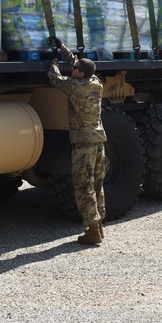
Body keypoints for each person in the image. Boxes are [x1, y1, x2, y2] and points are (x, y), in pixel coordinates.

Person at [47, 46, 107, 245]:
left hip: (84, 143)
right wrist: (63, 49)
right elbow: (76, 64)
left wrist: (54, 64)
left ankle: (92, 230)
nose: (71, 70)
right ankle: (98, 226)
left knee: (83, 185)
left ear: (80, 74)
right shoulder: (96, 83)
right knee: (97, 183)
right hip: (98, 140)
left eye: (75, 70)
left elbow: (54, 78)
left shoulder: (74, 86)